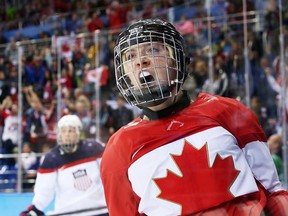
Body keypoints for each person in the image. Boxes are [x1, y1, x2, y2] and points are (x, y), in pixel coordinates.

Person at [100, 18, 288, 215]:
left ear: (178, 60)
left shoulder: (227, 112)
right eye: (130, 56)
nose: (141, 61)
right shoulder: (119, 148)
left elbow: (273, 191)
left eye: (153, 50)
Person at [21, 114, 108, 216]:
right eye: (63, 131)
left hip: (99, 210)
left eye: (71, 131)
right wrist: (35, 209)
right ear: (59, 134)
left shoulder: (94, 148)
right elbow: (44, 191)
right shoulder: (51, 158)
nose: (67, 134)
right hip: (67, 212)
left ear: (78, 133)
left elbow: (109, 174)